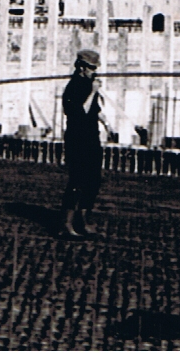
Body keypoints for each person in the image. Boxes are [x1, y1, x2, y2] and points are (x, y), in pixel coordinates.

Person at [61, 48, 107, 238]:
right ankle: (66, 225)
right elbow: (79, 112)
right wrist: (93, 92)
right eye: (91, 68)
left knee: (93, 180)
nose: (93, 72)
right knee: (77, 181)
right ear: (81, 67)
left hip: (91, 138)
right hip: (77, 139)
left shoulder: (89, 85)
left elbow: (94, 111)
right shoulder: (73, 86)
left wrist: (106, 122)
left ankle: (84, 220)